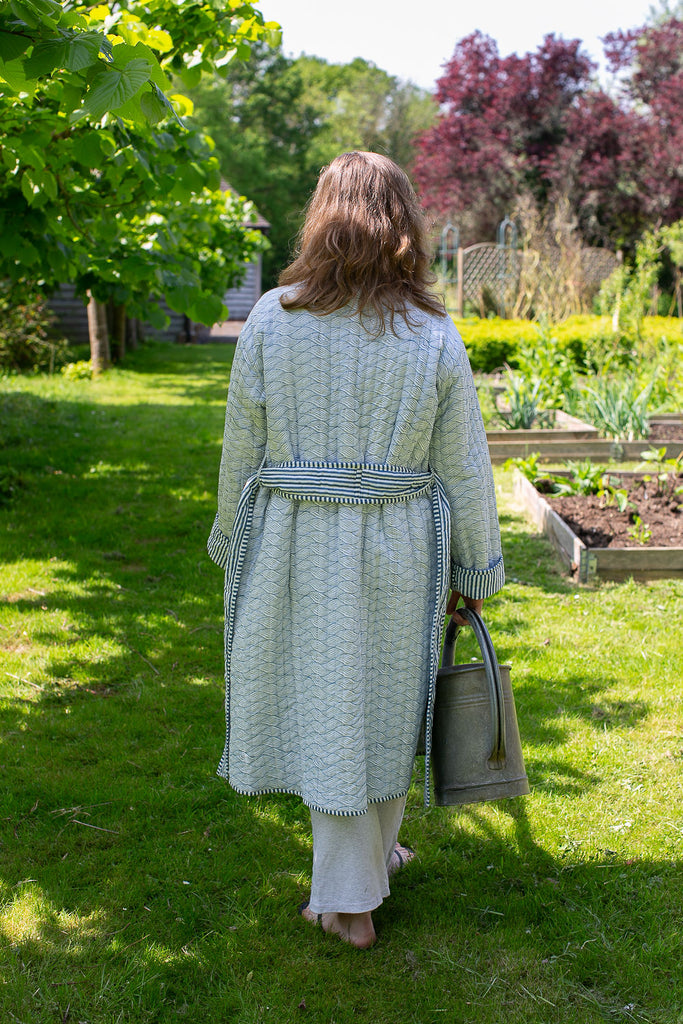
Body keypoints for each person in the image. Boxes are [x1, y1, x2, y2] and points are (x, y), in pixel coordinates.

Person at [207, 151, 504, 949]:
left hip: (296, 536)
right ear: (403, 224)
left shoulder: (272, 316)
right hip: (398, 542)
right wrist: (472, 567)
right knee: (377, 704)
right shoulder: (432, 333)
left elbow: (243, 445)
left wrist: (233, 540)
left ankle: (346, 902)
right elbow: (464, 462)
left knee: (333, 708)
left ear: (321, 218)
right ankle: (359, 877)